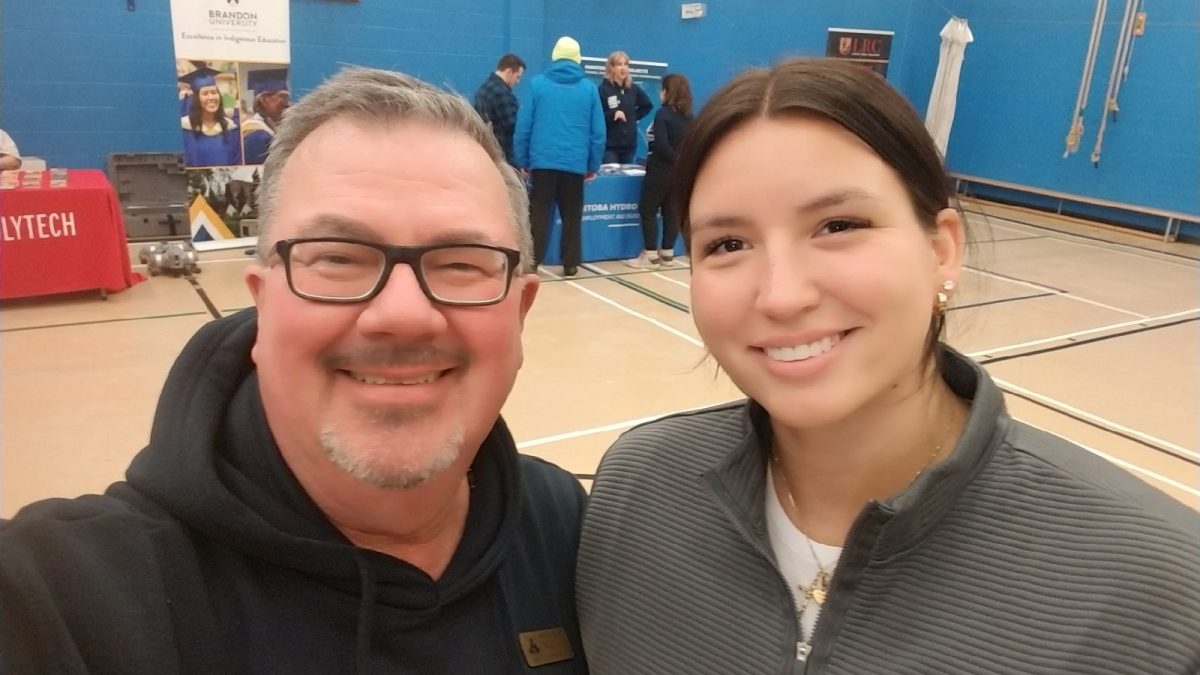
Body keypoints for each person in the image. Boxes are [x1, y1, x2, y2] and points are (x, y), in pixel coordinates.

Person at [577, 58, 1200, 674]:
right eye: (727, 245)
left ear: (941, 250)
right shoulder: (639, 492)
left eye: (838, 225)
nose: (781, 295)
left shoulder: (1162, 587)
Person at [1, 67, 589, 673]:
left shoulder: (567, 532)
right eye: (336, 257)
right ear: (262, 303)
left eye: (462, 263)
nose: (404, 314)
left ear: (520, 312)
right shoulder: (63, 598)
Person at [513, 36, 605, 277]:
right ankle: (570, 263)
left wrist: (522, 159)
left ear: (554, 56)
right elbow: (598, 133)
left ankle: (533, 262)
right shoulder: (589, 89)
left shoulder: (537, 85)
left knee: (540, 214)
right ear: (578, 59)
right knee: (572, 215)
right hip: (575, 164)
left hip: (542, 162)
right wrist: (592, 165)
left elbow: (524, 126)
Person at [624, 73, 693, 270]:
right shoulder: (689, 117)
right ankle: (668, 252)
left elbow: (661, 144)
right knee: (670, 211)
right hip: (678, 173)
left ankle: (651, 254)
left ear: (667, 92)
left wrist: (673, 158)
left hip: (660, 169)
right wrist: (681, 163)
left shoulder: (663, 114)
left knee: (648, 209)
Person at [180, 65, 243, 168]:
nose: (211, 97)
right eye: (205, 93)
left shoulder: (231, 129)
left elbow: (237, 161)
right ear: (196, 99)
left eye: (214, 92)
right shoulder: (184, 130)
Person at [597, 51, 652, 165]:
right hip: (610, 146)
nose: (623, 68)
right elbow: (598, 115)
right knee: (612, 178)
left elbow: (647, 105)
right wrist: (613, 114)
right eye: (619, 64)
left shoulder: (633, 89)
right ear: (611, 68)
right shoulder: (603, 89)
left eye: (625, 64)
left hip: (629, 146)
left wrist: (633, 117)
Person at [473, 53, 525, 165]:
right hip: (501, 154)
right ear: (509, 72)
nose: (518, 81)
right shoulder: (502, 94)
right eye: (518, 76)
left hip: (485, 150)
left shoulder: (483, 88)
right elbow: (513, 126)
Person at [241, 67, 290, 165]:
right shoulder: (256, 136)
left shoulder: (268, 129)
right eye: (282, 97)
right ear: (264, 100)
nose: (287, 104)